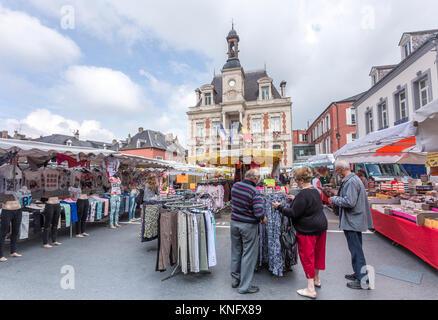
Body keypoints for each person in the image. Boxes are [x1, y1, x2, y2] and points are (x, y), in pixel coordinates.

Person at [273, 166, 328, 299]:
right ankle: (316, 279)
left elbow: (293, 213)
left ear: (301, 180)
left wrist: (279, 207)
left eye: (296, 180)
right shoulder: (313, 191)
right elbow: (308, 204)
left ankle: (310, 289)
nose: (296, 182)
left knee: (307, 256)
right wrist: (295, 199)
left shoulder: (303, 194)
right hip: (321, 226)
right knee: (318, 254)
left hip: (307, 230)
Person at [330, 160, 374, 290]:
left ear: (341, 170)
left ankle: (363, 281)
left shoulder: (351, 182)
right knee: (356, 250)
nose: (338, 175)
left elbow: (350, 202)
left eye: (337, 172)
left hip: (353, 222)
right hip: (354, 221)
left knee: (356, 251)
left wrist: (334, 199)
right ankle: (358, 274)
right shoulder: (353, 180)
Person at [230, 169, 267, 294]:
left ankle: (235, 280)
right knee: (248, 255)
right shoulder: (254, 191)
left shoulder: (235, 186)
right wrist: (263, 217)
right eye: (258, 178)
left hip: (234, 223)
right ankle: (244, 286)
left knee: (236, 251)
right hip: (248, 226)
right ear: (255, 178)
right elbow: (258, 212)